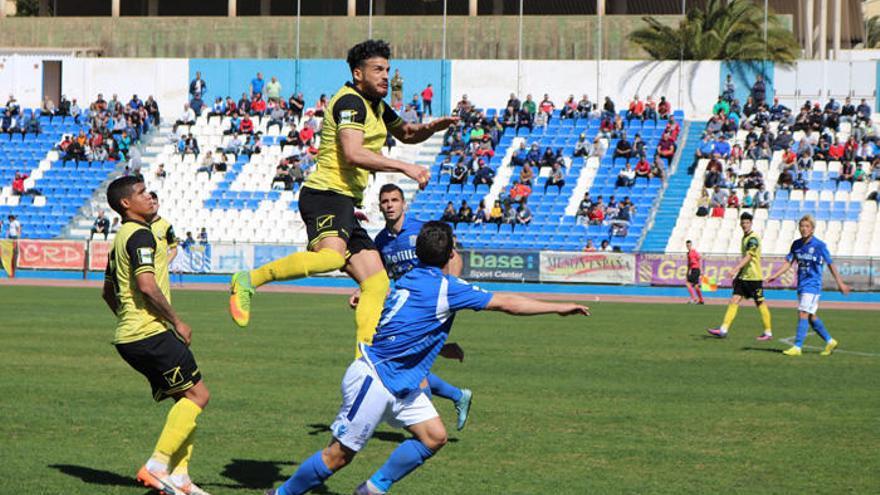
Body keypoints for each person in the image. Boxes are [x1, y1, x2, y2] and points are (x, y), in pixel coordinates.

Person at [265, 221, 590, 495]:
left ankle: (372, 489)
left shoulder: (409, 277)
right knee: (338, 456)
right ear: (451, 254)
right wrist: (559, 307)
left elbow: (410, 321)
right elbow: (507, 302)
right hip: (376, 378)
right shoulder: (445, 287)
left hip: (400, 380)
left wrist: (439, 345)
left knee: (434, 436)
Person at [229, 40, 458, 364]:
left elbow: (406, 132)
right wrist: (405, 167)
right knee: (330, 259)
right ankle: (249, 280)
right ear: (357, 73)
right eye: (377, 70)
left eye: (387, 70)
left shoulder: (376, 104)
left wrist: (433, 127)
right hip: (326, 194)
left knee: (377, 283)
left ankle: (365, 362)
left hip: (345, 202)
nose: (385, 77)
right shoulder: (350, 102)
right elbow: (352, 153)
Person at [100, 176, 211, 495]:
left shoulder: (120, 237)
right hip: (151, 334)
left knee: (184, 400)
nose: (149, 196)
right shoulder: (141, 236)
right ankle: (158, 466)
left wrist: (128, 321)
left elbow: (108, 291)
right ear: (126, 204)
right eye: (141, 193)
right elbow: (147, 286)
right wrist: (177, 321)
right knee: (199, 396)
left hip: (130, 336)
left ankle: (180, 477)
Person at [352, 185, 473, 429]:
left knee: (403, 364)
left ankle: (425, 428)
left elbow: (454, 258)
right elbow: (381, 276)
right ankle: (456, 397)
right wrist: (361, 290)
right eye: (385, 201)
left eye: (394, 200)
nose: (389, 205)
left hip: (428, 304)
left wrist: (449, 295)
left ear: (404, 203)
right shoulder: (381, 241)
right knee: (401, 362)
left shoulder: (422, 230)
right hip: (405, 309)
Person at [765, 215, 850, 357]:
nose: (804, 229)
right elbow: (788, 262)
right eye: (801, 226)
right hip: (802, 285)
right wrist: (776, 275)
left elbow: (830, 263)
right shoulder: (796, 244)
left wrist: (840, 282)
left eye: (807, 226)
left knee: (802, 313)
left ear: (812, 229)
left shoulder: (819, 245)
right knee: (811, 317)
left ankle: (797, 347)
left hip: (813, 285)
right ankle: (830, 341)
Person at [708, 212, 773, 341]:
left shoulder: (753, 239)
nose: (745, 225)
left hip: (754, 278)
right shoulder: (745, 238)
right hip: (744, 277)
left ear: (751, 223)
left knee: (760, 303)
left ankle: (768, 332)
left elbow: (749, 256)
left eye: (747, 222)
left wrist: (735, 269)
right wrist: (739, 274)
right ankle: (723, 329)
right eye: (743, 223)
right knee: (734, 300)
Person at [150, 192, 179, 270]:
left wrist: (163, 265)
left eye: (154, 203)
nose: (152, 206)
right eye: (150, 203)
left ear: (158, 206)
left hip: (160, 277)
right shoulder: (140, 224)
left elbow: (174, 250)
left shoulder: (166, 225)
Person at [685, 240, 705, 305]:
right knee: (696, 286)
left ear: (691, 245)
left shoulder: (694, 252)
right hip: (694, 270)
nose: (688, 246)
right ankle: (701, 300)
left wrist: (701, 269)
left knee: (688, 283)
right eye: (687, 245)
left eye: (689, 245)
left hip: (696, 269)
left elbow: (700, 259)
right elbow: (689, 264)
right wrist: (687, 272)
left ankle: (694, 298)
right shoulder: (688, 254)